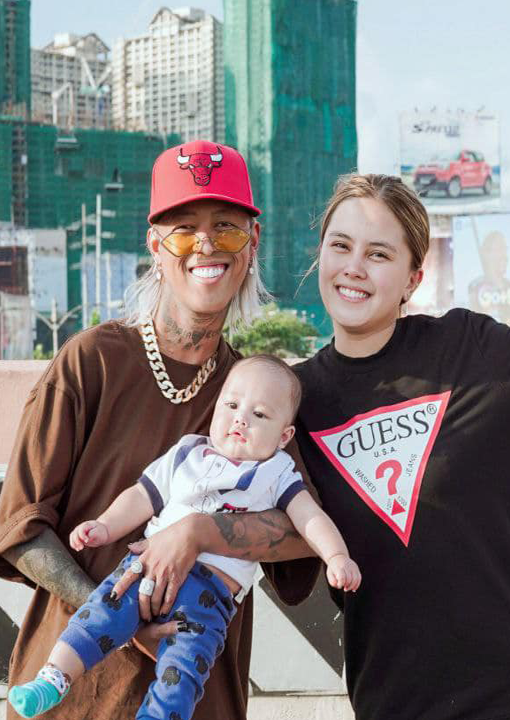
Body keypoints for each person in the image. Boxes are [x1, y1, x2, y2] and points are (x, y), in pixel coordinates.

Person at [122, 173, 510, 720]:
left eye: (379, 254)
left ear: (412, 277)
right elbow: (272, 537)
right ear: (320, 258)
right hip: (389, 696)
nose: (354, 267)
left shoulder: (475, 352)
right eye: (340, 246)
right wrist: (187, 544)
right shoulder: (295, 403)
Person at [0, 141, 321, 720]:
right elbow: (20, 527)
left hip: (200, 703)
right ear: (155, 245)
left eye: (225, 227)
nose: (205, 244)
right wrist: (125, 619)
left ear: (251, 244)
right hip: (72, 701)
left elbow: (300, 535)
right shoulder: (91, 360)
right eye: (183, 228)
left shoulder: (255, 396)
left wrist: (198, 531)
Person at [7, 356, 359, 719]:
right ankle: (53, 678)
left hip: (207, 598)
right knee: (98, 616)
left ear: (284, 436)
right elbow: (142, 496)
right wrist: (105, 526)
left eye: (260, 415)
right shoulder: (188, 453)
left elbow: (310, 517)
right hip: (144, 572)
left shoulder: (276, 472)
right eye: (233, 405)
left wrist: (336, 557)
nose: (241, 419)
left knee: (184, 669)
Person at [466, 230, 510, 327]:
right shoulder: (476, 287)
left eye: (505, 250)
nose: (504, 256)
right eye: (499, 249)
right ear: (486, 255)